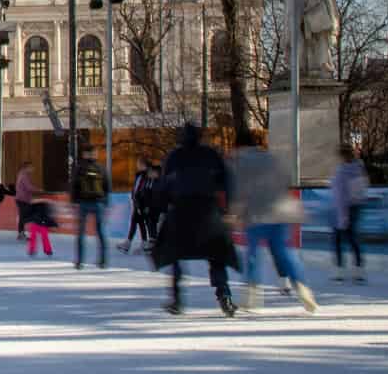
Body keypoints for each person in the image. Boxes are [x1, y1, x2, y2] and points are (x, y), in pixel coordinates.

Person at [152, 122, 238, 316]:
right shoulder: (211, 154)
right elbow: (226, 182)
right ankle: (225, 296)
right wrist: (228, 208)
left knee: (174, 255)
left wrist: (161, 209)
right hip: (208, 211)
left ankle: (176, 299)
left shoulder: (174, 157)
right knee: (216, 255)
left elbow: (164, 186)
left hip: (181, 212)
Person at [231, 131, 318, 313]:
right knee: (285, 254)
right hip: (280, 213)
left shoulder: (242, 162)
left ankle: (252, 296)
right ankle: (304, 290)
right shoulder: (272, 158)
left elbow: (240, 190)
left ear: (240, 146)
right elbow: (285, 181)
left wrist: (236, 214)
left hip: (257, 215)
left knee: (253, 254)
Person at [330, 143, 369, 283]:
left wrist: (342, 217)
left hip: (343, 208)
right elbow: (363, 188)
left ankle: (340, 271)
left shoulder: (342, 171)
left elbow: (340, 195)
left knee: (339, 240)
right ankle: (358, 271)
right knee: (352, 239)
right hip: (355, 207)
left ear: (342, 156)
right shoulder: (359, 168)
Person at [71, 157, 109, 269]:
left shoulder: (80, 168)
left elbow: (74, 185)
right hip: (98, 203)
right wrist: (106, 202)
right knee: (100, 232)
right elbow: (106, 186)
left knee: (81, 233)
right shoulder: (101, 168)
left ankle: (79, 261)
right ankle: (102, 261)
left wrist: (73, 201)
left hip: (84, 203)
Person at [118, 162, 153, 254]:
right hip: (137, 202)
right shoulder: (139, 175)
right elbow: (136, 188)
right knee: (138, 222)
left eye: (140, 164)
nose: (138, 166)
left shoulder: (148, 176)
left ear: (145, 165)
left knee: (138, 222)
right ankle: (142, 243)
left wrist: (143, 203)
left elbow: (145, 190)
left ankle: (130, 243)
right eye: (138, 164)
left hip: (142, 203)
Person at [14, 163, 37, 242]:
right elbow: (28, 187)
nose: (33, 169)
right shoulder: (24, 175)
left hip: (22, 198)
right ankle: (21, 234)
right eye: (31, 167)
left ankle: (21, 234)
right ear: (27, 167)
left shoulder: (22, 174)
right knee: (24, 216)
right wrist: (38, 190)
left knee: (23, 216)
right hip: (22, 199)